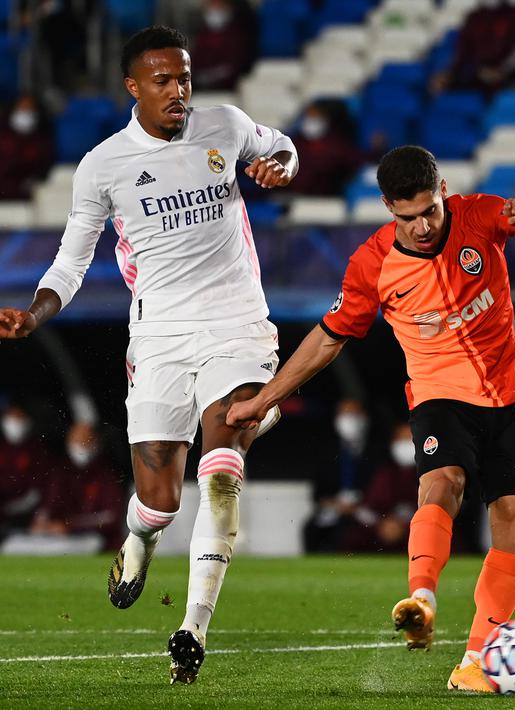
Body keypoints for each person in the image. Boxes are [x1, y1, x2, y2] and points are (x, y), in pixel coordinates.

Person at [0, 26, 297, 684]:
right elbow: (71, 263)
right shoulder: (103, 166)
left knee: (221, 468)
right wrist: (34, 314)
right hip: (159, 335)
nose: (178, 91)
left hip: (237, 325)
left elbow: (282, 147)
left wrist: (280, 166)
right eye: (162, 80)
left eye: (184, 77)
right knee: (159, 500)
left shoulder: (225, 125)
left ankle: (193, 627)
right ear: (133, 87)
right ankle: (139, 538)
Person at [227, 145, 515, 692]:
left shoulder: (480, 216)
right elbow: (328, 338)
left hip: (508, 396)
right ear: (388, 206)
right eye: (408, 217)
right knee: (443, 483)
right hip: (439, 396)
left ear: (443, 192)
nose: (422, 226)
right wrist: (266, 397)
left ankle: (476, 661)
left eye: (430, 211)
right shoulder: (373, 263)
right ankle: (421, 599)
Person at [30, 421, 126, 549]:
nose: (81, 445)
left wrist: (69, 526)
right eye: (77, 440)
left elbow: (111, 517)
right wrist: (42, 521)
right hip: (57, 536)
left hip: (95, 538)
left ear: (96, 442)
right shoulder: (60, 472)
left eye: (86, 440)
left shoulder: (107, 475)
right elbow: (48, 505)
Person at [303, 398, 381, 552]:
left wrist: (358, 506)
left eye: (353, 414)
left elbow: (381, 487)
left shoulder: (376, 449)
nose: (348, 419)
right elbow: (318, 494)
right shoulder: (327, 451)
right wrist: (336, 504)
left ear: (364, 418)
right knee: (312, 528)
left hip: (366, 509)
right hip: (335, 509)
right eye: (344, 414)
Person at [341, 421, 421, 551]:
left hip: (416, 528)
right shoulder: (382, 472)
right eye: (402, 438)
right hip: (378, 530)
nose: (406, 443)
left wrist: (402, 523)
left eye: (411, 439)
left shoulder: (430, 474)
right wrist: (382, 523)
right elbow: (366, 508)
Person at [430, 0, 515, 97]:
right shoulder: (474, 17)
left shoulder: (514, 16)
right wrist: (450, 73)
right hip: (476, 73)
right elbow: (462, 52)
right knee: (441, 85)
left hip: (507, 75)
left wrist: (502, 70)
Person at [286, 101, 368, 197]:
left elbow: (357, 160)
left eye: (316, 117)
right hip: (292, 196)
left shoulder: (336, 145)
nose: (311, 121)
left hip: (327, 197)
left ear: (325, 120)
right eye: (309, 117)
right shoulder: (293, 143)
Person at [0, 401, 50, 540]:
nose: (14, 423)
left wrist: (7, 510)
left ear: (28, 421)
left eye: (19, 417)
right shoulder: (2, 447)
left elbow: (40, 491)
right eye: (11, 417)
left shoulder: (38, 451)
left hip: (27, 516)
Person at [190, 0, 258, 91]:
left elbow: (236, 66)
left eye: (219, 5)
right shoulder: (202, 34)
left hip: (230, 89)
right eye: (212, 4)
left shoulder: (237, 35)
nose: (215, 8)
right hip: (200, 89)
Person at [0, 93, 55, 200]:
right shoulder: (3, 135)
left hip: (30, 193)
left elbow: (44, 166)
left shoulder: (42, 139)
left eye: (29, 109)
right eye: (22, 108)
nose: (25, 112)